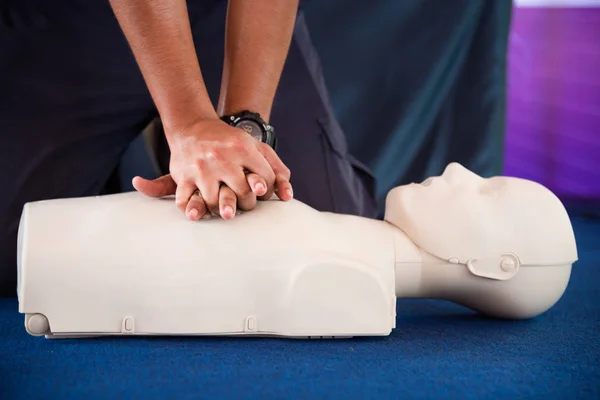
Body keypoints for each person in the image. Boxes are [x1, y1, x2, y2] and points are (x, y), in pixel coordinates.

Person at [0, 0, 378, 296]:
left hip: (221, 15)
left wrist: (244, 133)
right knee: (15, 254)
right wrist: (188, 122)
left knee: (333, 250)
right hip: (72, 21)